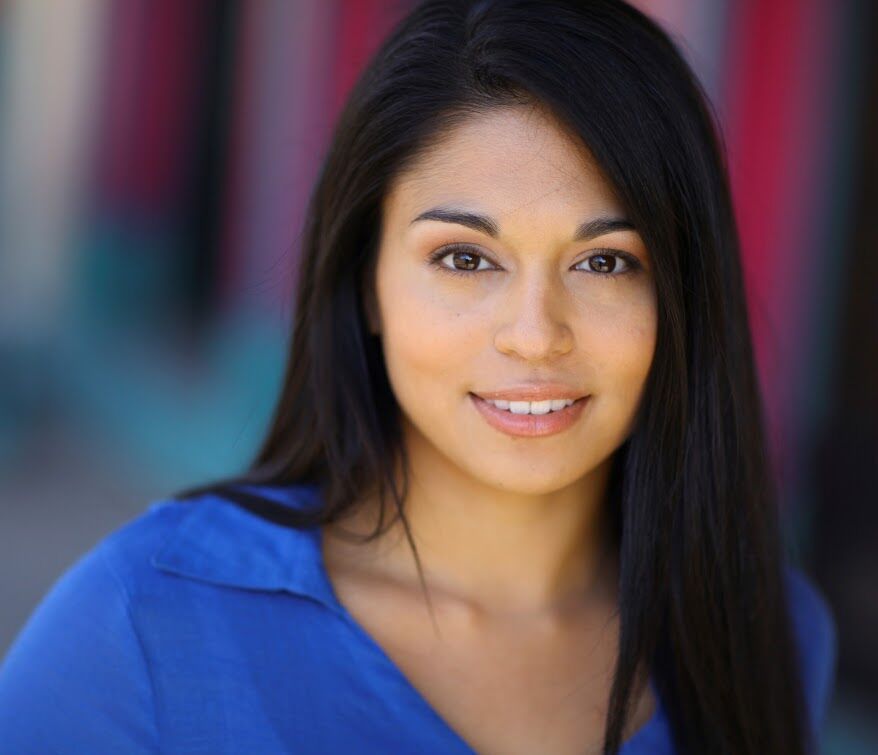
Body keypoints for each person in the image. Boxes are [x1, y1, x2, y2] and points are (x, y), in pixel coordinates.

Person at [0, 0, 837, 753]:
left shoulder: (767, 635)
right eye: (465, 257)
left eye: (605, 261)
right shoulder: (139, 630)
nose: (536, 336)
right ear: (367, 283)